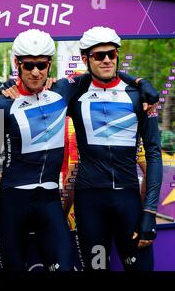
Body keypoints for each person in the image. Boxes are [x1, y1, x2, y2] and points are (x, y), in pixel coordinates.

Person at [0, 29, 90, 271]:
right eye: (28, 65)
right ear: (17, 64)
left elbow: (102, 71)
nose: (36, 72)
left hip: (49, 200)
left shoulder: (61, 92)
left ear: (49, 65)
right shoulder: (0, 104)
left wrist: (141, 83)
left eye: (42, 65)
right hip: (12, 202)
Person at [68, 26, 163, 270]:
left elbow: (153, 154)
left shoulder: (138, 96)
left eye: (112, 53)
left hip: (127, 199)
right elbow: (39, 86)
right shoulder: (76, 93)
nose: (107, 59)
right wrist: (8, 86)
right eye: (99, 55)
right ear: (85, 58)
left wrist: (150, 211)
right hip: (89, 201)